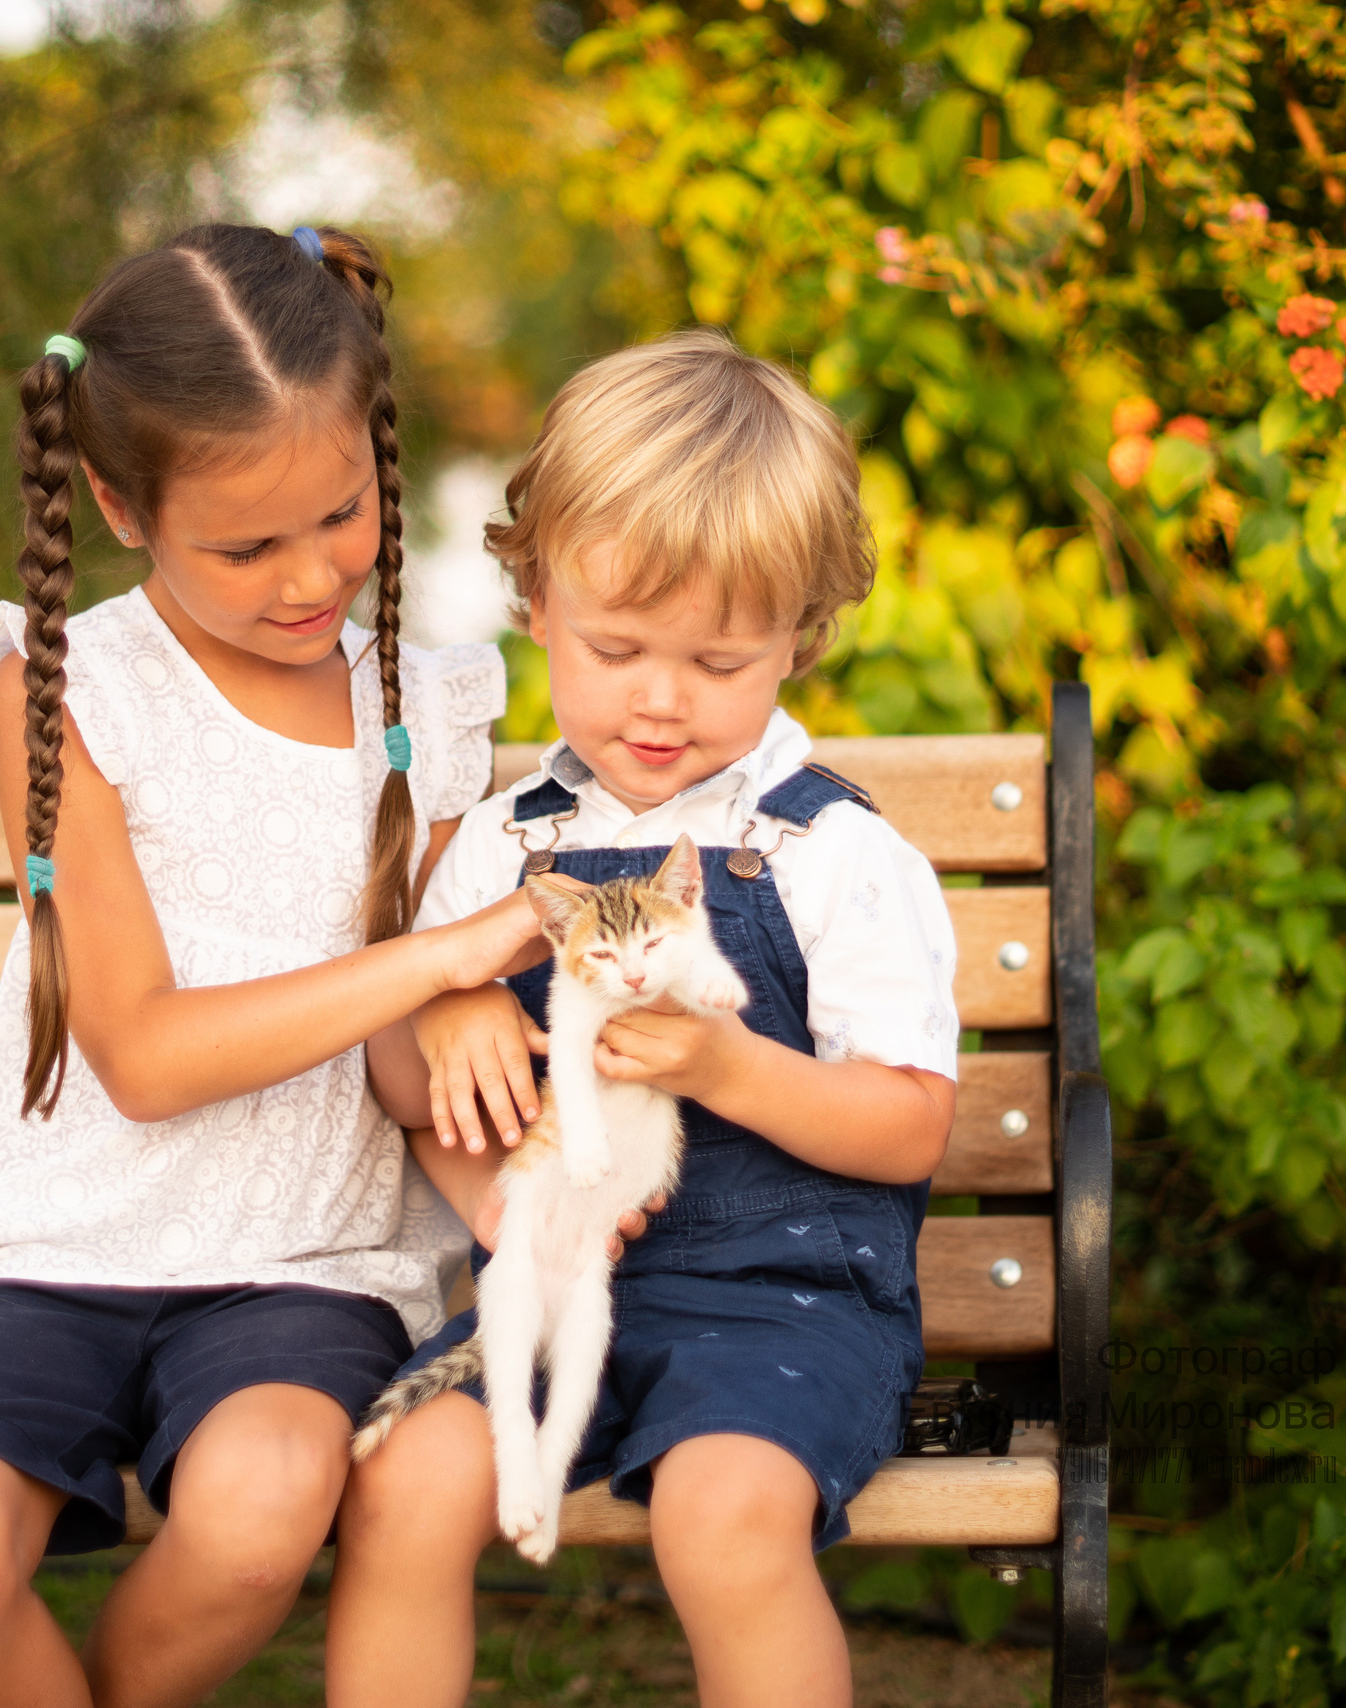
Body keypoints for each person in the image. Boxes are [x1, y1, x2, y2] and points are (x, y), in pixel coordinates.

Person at [0, 222, 540, 1708]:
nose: (310, 580)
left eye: (344, 515)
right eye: (245, 546)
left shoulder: (434, 701)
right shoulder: (68, 688)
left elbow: (416, 1060)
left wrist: (465, 989)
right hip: (46, 1243)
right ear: (114, 501)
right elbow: (145, 1059)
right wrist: (446, 955)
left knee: (260, 1512)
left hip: (306, 1260)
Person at [333, 328, 962, 1708]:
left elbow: (911, 1126)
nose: (662, 700)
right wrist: (443, 1038)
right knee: (404, 1479)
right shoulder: (509, 839)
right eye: (618, 647)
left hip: (784, 1302)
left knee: (724, 1514)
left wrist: (733, 1063)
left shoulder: (829, 856)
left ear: (798, 637)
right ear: (536, 601)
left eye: (720, 662)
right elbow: (396, 1081)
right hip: (558, 1280)